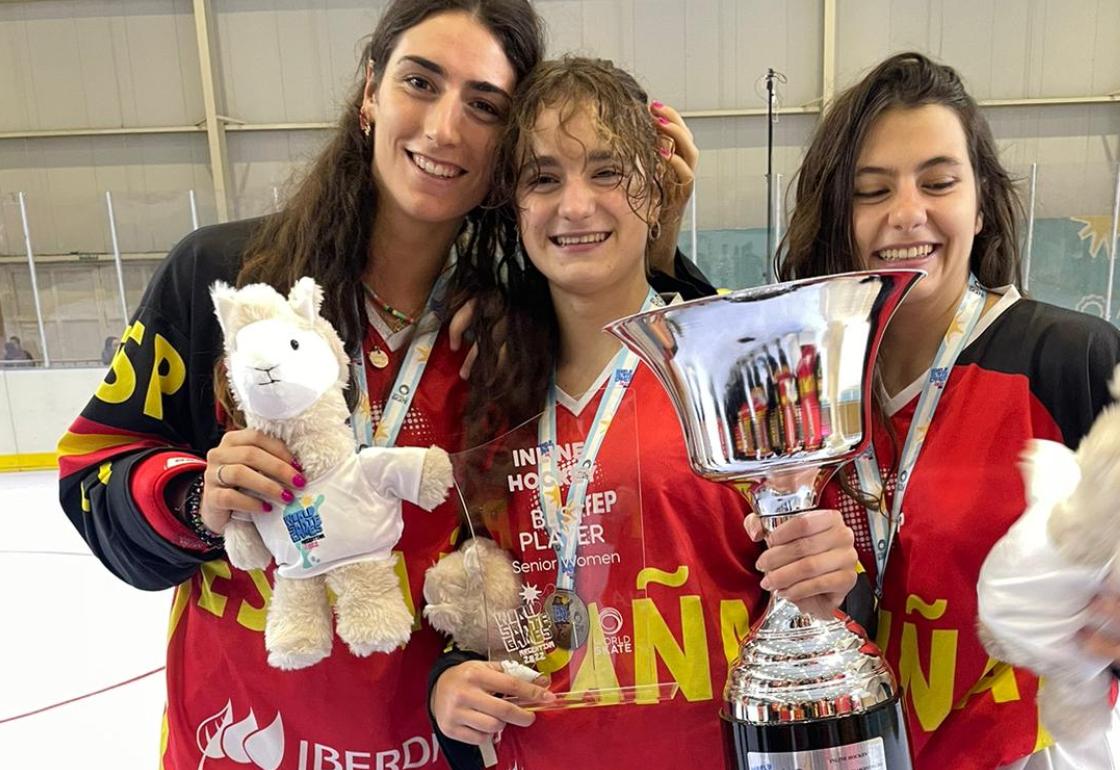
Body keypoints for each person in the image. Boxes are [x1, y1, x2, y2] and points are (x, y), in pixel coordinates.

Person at [55, 3, 545, 767]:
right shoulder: (225, 280)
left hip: (427, 747)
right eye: (420, 82)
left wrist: (657, 240)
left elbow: (556, 546)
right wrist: (197, 498)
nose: (445, 128)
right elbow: (93, 471)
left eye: (484, 106)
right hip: (236, 741)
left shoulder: (510, 327)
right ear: (371, 93)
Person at [776, 52, 1120, 770]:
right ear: (840, 215)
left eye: (939, 182)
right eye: (872, 190)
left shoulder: (1069, 360)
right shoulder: (810, 385)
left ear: (981, 202)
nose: (908, 213)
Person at [427, 57, 861, 770]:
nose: (575, 206)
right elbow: (480, 605)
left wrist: (832, 572)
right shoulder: (491, 388)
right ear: (514, 205)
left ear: (657, 192)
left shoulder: (732, 367)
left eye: (607, 172)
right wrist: (451, 683)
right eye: (543, 178)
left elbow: (828, 584)